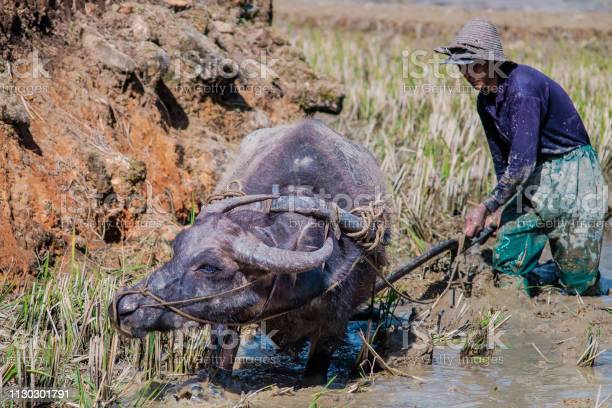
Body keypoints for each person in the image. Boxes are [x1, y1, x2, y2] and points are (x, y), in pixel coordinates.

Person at [435, 19, 608, 295]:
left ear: (492, 63)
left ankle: (572, 276)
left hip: (572, 173)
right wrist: (499, 207)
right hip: (535, 175)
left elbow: (522, 162)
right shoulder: (485, 102)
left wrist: (486, 206)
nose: (466, 73)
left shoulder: (523, 88)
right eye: (461, 66)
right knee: (508, 255)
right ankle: (515, 308)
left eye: (473, 65)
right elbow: (503, 162)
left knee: (579, 286)